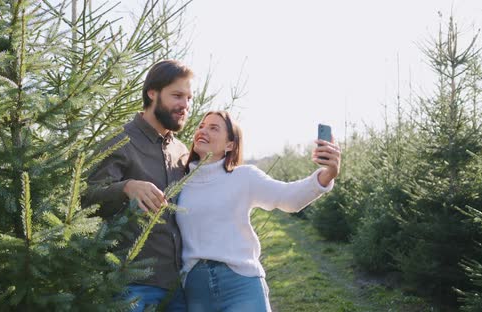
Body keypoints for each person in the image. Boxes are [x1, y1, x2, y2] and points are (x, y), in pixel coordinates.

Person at [176, 111, 341, 312]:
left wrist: (327, 175)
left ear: (230, 145)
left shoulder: (244, 177)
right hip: (197, 291)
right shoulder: (179, 183)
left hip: (240, 284)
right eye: (201, 126)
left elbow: (288, 198)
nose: (203, 130)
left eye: (214, 128)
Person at [81, 60, 193, 311]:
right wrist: (126, 187)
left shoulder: (181, 151)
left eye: (188, 98)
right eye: (177, 95)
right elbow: (84, 199)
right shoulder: (120, 140)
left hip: (178, 287)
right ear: (152, 93)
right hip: (132, 286)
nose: (185, 105)